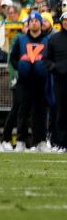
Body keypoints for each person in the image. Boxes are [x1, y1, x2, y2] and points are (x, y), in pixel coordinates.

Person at [8, 12, 51, 152]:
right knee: (22, 110)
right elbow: (13, 58)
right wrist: (20, 66)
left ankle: (41, 140)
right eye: (31, 21)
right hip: (24, 81)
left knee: (40, 112)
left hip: (41, 80)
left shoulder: (47, 40)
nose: (33, 23)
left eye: (36, 21)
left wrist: (45, 67)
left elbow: (52, 58)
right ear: (28, 23)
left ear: (40, 23)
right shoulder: (21, 40)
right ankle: (21, 140)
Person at [46, 11, 67, 152]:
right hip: (60, 81)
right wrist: (55, 68)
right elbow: (46, 60)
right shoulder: (54, 39)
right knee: (60, 112)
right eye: (65, 20)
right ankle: (61, 143)